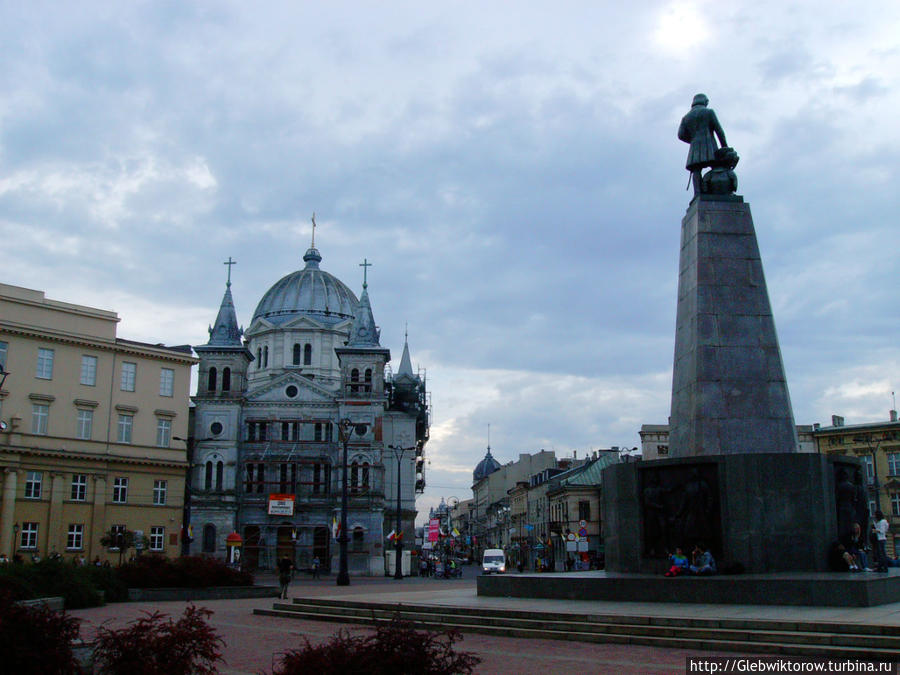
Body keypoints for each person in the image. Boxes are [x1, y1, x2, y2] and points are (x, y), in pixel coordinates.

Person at [678, 93, 728, 197]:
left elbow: (681, 135)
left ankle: (697, 194)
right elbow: (719, 131)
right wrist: (724, 147)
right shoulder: (708, 112)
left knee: (696, 170)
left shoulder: (686, 117)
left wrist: (693, 141)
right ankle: (721, 191)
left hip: (695, 147)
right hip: (710, 146)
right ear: (705, 101)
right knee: (717, 167)